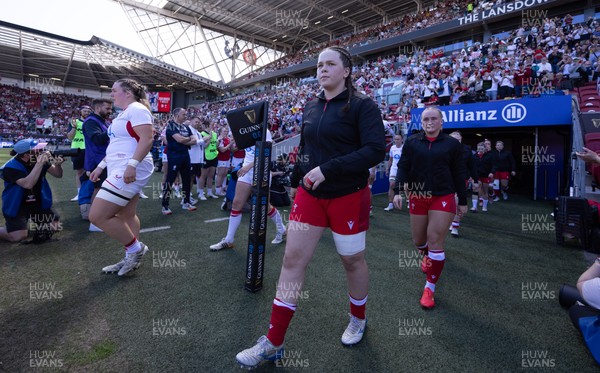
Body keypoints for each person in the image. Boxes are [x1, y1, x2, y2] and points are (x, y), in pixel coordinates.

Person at [235, 46, 385, 369]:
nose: (323, 69)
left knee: (352, 261)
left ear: (346, 71)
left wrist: (329, 169)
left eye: (330, 64)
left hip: (348, 195)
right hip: (309, 194)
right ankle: (274, 342)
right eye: (319, 65)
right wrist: (295, 178)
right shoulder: (311, 106)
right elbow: (305, 147)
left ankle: (358, 318)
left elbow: (374, 150)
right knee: (292, 260)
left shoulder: (363, 105)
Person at [393, 106, 467, 309]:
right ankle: (425, 256)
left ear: (441, 121)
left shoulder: (452, 144)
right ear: (422, 122)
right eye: (426, 119)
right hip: (418, 195)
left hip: (442, 196)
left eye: (434, 118)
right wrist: (398, 191)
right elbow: (404, 167)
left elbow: (459, 172)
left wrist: (463, 200)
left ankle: (429, 288)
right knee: (419, 240)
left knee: (435, 239)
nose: (430, 122)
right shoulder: (412, 142)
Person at [88, 78, 154, 277]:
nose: (111, 94)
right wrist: (101, 167)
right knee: (126, 215)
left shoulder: (137, 109)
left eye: (114, 90)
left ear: (127, 92)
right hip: (120, 165)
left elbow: (147, 138)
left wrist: (132, 165)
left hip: (130, 166)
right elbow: (116, 145)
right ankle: (130, 256)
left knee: (97, 215)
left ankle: (135, 250)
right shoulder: (125, 113)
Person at [209, 128, 287, 251]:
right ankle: (229, 240)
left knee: (265, 206)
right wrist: (234, 141)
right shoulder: (244, 129)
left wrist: (248, 166)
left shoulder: (264, 131)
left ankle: (282, 229)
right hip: (246, 170)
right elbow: (236, 149)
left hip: (261, 171)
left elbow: (265, 153)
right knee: (236, 203)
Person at [0, 139, 63, 242]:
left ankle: (32, 225)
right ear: (26, 155)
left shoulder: (38, 160)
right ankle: (14, 229)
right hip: (17, 205)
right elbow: (27, 184)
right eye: (37, 150)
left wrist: (58, 165)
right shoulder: (10, 167)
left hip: (37, 203)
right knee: (18, 236)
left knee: (55, 227)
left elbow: (58, 174)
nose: (41, 151)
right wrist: (39, 164)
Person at [82, 98, 113, 231]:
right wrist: (112, 130)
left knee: (104, 189)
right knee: (99, 189)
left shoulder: (101, 121)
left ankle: (99, 217)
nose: (110, 111)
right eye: (107, 108)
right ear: (98, 108)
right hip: (97, 161)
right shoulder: (90, 122)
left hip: (103, 159)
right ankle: (94, 222)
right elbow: (97, 139)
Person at [161, 107, 197, 215]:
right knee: (170, 180)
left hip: (185, 156)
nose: (185, 116)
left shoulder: (186, 127)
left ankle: (186, 202)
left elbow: (194, 140)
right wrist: (186, 139)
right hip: (174, 156)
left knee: (186, 179)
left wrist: (184, 140)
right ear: (177, 115)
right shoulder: (171, 126)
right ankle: (165, 205)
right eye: (184, 114)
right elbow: (179, 139)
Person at [448, 131, 475, 237]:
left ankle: (455, 226)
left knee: (457, 201)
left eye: (457, 138)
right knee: (448, 203)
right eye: (453, 139)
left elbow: (472, 165)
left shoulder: (467, 150)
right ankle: (450, 221)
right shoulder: (444, 149)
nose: (455, 141)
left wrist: (475, 180)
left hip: (461, 179)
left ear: (461, 139)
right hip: (446, 179)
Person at [67, 106, 91, 201]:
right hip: (77, 149)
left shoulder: (91, 122)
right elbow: (70, 137)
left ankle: (89, 192)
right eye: (85, 111)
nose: (87, 112)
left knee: (90, 171)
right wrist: (74, 127)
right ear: (80, 111)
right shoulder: (74, 122)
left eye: (89, 111)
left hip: (89, 149)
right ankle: (80, 193)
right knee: (79, 172)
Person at [197, 121, 219, 200]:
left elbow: (216, 146)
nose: (214, 126)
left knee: (211, 175)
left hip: (214, 156)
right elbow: (204, 147)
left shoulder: (215, 134)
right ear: (207, 125)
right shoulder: (202, 134)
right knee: (203, 176)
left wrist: (218, 141)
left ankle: (209, 192)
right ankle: (200, 193)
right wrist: (209, 138)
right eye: (212, 124)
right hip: (205, 157)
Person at [471, 142, 494, 212]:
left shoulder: (489, 156)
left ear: (485, 149)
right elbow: (470, 166)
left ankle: (484, 206)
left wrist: (492, 172)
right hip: (476, 176)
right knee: (475, 190)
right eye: (479, 148)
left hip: (486, 176)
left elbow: (494, 165)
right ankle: (474, 207)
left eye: (481, 148)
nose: (480, 149)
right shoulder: (474, 156)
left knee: (484, 191)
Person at [384, 133, 404, 211]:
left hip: (402, 170)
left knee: (405, 187)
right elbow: (390, 159)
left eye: (398, 139)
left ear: (402, 140)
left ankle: (409, 202)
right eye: (395, 139)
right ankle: (390, 204)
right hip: (394, 169)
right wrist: (387, 169)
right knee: (392, 185)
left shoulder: (405, 148)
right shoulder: (392, 148)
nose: (396, 141)